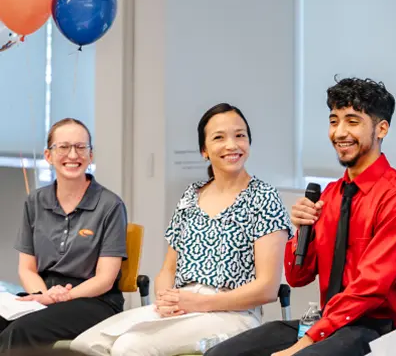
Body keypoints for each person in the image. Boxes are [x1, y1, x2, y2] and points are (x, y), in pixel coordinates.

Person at [205, 78, 396, 356]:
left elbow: (369, 289)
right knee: (219, 355)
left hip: (381, 329)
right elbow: (298, 276)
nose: (339, 132)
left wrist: (307, 341)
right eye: (334, 121)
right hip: (331, 322)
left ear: (381, 128)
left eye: (352, 121)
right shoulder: (331, 195)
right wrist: (301, 231)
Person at [70, 103, 292, 355]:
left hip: (232, 313)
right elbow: (168, 269)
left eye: (240, 135)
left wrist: (202, 303)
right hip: (184, 305)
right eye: (219, 137)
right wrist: (167, 299)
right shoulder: (190, 196)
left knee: (129, 346)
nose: (232, 145)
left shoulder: (264, 198)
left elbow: (267, 288)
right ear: (204, 151)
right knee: (83, 346)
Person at [0, 118, 128, 351]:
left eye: (81, 147)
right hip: (45, 293)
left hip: (95, 300)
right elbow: (27, 268)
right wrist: (43, 295)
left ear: (91, 155)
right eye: (63, 147)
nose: (73, 155)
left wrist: (61, 297)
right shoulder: (35, 202)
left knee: (22, 331)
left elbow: (105, 279)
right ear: (48, 156)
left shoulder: (110, 205)